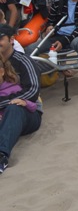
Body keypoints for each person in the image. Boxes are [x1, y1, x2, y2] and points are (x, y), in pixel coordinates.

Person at [0, 23, 42, 174]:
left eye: (0, 38)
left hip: (28, 112)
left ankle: (2, 156)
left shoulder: (24, 61)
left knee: (13, 108)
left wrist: (4, 103)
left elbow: (32, 91)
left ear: (11, 40)